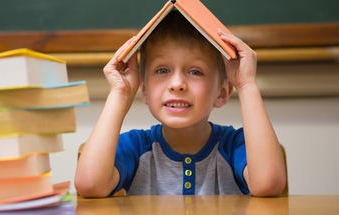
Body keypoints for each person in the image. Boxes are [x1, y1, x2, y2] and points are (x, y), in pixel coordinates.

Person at [74, 11, 286, 197]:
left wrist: (247, 84)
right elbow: (89, 185)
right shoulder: (136, 147)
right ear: (144, 91)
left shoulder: (235, 146)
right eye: (162, 70)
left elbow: (268, 184)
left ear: (222, 93)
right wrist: (119, 94)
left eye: (195, 72)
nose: (177, 84)